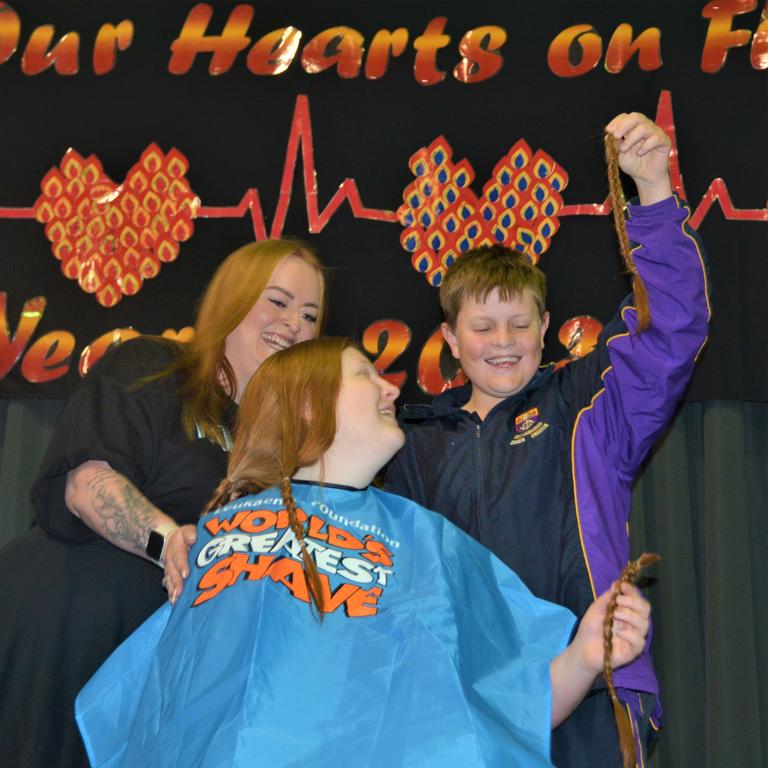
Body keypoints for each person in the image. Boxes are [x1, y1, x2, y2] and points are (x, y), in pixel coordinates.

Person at [75, 337, 650, 767]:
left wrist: (584, 653)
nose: (393, 388)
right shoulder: (223, 531)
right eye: (364, 375)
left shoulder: (425, 541)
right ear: (308, 405)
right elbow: (153, 701)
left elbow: (509, 698)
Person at [383, 112, 711, 766]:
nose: (502, 343)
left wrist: (652, 190)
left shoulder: (588, 406)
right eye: (482, 326)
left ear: (546, 329)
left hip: (595, 692)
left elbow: (670, 330)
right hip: (460, 703)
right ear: (449, 339)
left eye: (518, 324)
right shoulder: (404, 443)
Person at [0, 238, 326, 768]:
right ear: (232, 300)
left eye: (310, 314)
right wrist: (171, 540)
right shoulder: (154, 365)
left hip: (156, 667)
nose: (293, 323)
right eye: (278, 301)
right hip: (63, 627)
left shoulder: (286, 444)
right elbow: (88, 484)